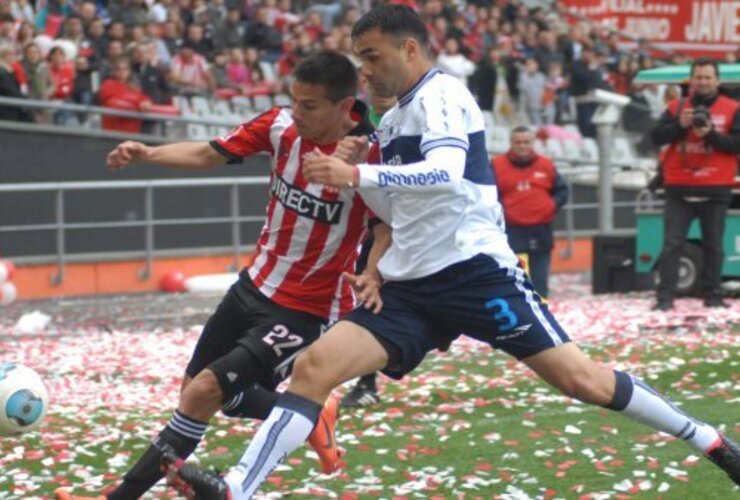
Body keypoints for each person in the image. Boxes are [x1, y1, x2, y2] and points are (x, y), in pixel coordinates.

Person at [171, 6, 740, 499]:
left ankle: (708, 439)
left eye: (371, 56)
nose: (364, 71)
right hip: (409, 288)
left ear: (409, 48)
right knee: (314, 369)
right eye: (359, 58)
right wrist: (365, 210)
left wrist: (356, 170)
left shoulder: (442, 95)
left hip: (474, 275)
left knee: (582, 382)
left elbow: (443, 173)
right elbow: (395, 210)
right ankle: (238, 488)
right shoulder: (391, 121)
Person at [54, 50, 391, 500]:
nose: (297, 113)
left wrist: (371, 270)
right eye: (294, 101)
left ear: (344, 105)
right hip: (253, 286)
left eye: (309, 106)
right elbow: (212, 152)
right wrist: (148, 152)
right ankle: (308, 413)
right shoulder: (279, 128)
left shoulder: (367, 159)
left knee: (204, 392)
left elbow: (385, 223)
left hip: (306, 309)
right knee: (195, 390)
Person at [651, 58, 740, 311]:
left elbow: (736, 145)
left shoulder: (733, 108)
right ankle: (664, 298)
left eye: (707, 77)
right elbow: (655, 137)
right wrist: (680, 125)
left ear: (717, 80)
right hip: (678, 187)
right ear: (691, 80)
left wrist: (710, 134)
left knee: (714, 245)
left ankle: (712, 295)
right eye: (698, 77)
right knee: (672, 244)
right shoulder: (676, 107)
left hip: (716, 187)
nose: (702, 82)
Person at [340, 82, 397, 409]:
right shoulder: (361, 131)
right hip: (375, 228)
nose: (380, 93)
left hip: (405, 230)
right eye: (374, 89)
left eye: (385, 89)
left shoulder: (409, 125)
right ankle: (367, 382)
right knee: (368, 298)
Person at [492, 126, 568, 298]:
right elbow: (489, 194)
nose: (522, 146)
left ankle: (542, 316)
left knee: (540, 283)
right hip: (511, 230)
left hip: (540, 229)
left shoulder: (546, 164)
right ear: (511, 143)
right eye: (518, 142)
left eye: (526, 142)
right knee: (513, 280)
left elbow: (562, 191)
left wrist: (550, 206)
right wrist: (503, 213)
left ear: (532, 143)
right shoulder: (496, 165)